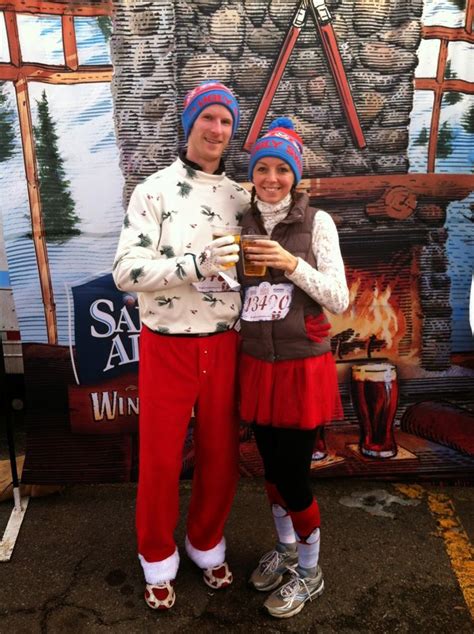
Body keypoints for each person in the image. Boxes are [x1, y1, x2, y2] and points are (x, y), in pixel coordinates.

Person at [112, 81, 250, 610]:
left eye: (225, 121)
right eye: (208, 118)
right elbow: (125, 272)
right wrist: (195, 265)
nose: (217, 129)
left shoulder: (242, 198)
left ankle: (207, 543)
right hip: (167, 344)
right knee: (161, 459)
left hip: (225, 344)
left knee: (221, 457)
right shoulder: (154, 191)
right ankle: (156, 555)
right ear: (190, 123)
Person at [237, 117, 349, 619]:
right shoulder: (241, 221)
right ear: (252, 174)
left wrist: (290, 262)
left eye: (282, 169)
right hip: (258, 362)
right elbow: (237, 293)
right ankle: (285, 550)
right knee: (270, 470)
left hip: (301, 366)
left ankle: (310, 570)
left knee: (294, 476)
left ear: (295, 175)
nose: (272, 178)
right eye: (263, 168)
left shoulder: (318, 222)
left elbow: (339, 298)